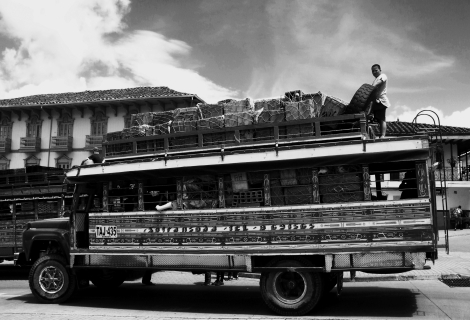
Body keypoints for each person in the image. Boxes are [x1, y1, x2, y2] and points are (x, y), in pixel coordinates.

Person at [368, 64, 391, 139]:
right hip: (375, 101)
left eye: (376, 70)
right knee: (376, 118)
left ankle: (382, 135)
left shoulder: (383, 76)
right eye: (372, 71)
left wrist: (372, 87)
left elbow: (380, 82)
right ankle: (379, 133)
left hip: (381, 101)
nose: (374, 72)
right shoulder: (374, 80)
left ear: (380, 70)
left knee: (381, 119)